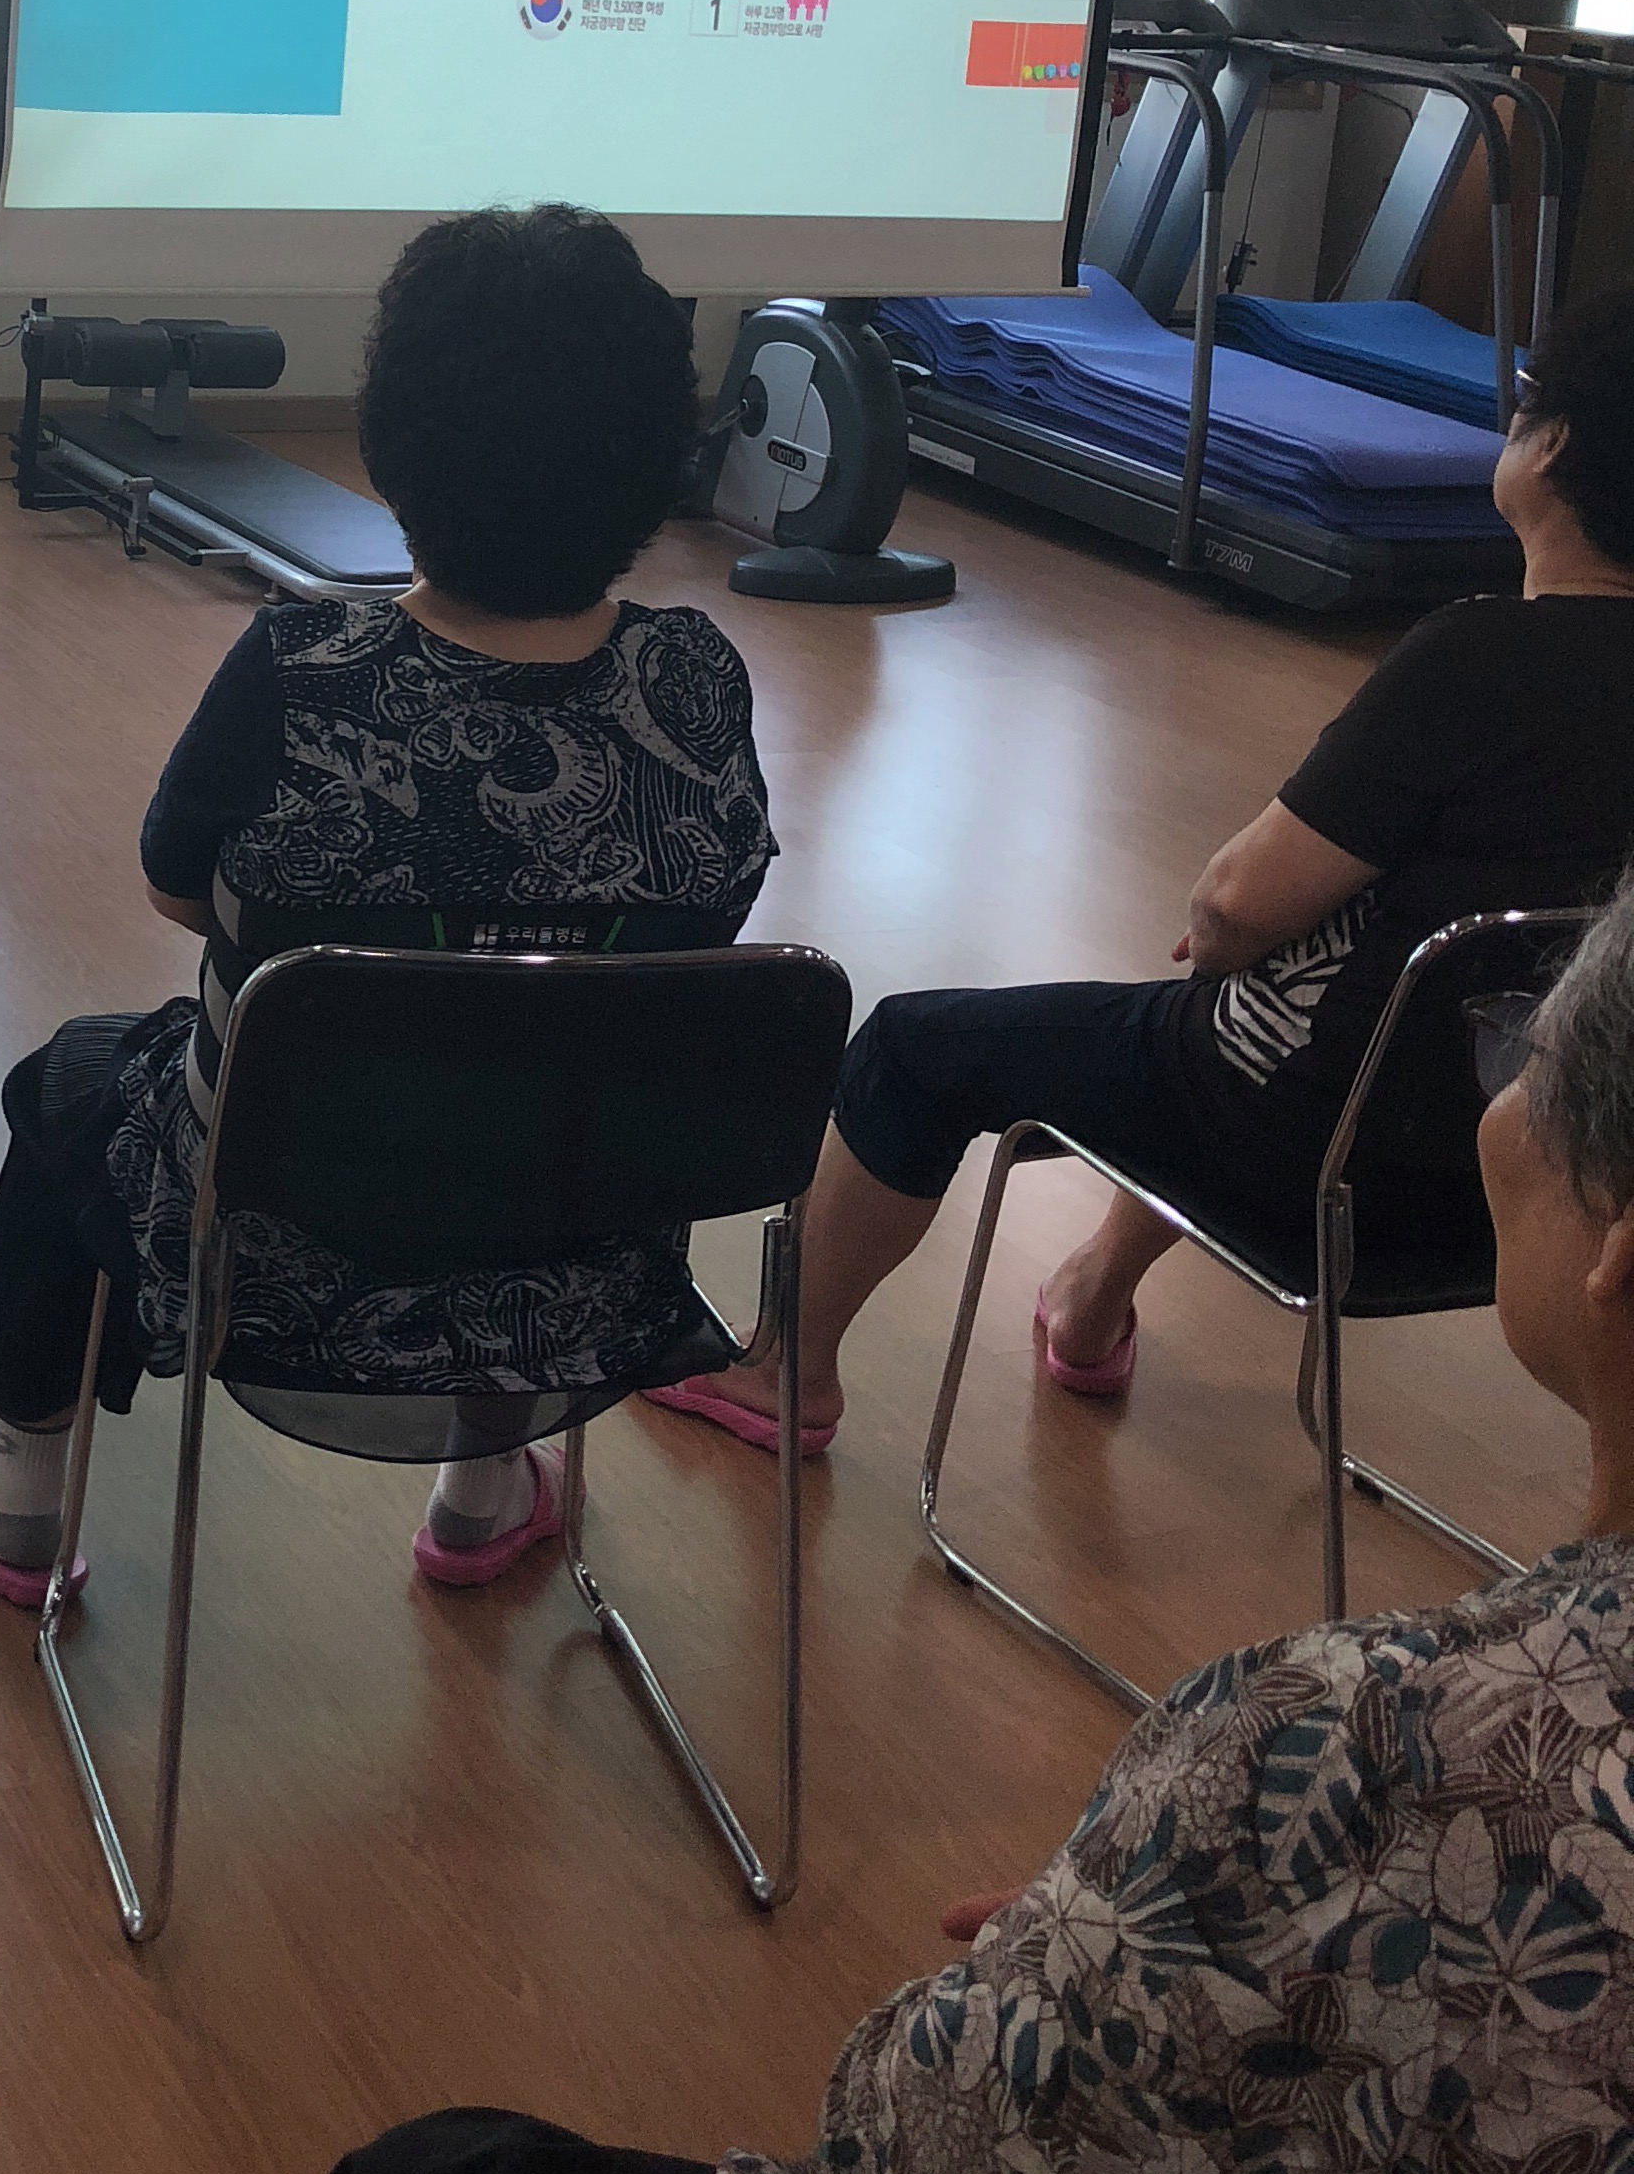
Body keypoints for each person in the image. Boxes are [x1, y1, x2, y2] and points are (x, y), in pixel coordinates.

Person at [235, 861, 1634, 2174]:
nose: (1503, 1101)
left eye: (1523, 1053)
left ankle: (782, 1362)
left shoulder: (1363, 1758)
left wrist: (1080, 1969)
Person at [0, 203, 777, 1602]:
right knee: (536, 1087)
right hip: (585, 1256)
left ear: (390, 445)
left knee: (63, 1086)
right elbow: (710, 912)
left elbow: (178, 888)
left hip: (271, 1250)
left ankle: (18, 1500)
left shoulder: (301, 670)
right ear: (661, 460)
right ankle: (484, 1493)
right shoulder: (700, 682)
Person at [651, 282, 1634, 1460]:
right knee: (1209, 1020)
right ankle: (1090, 1293)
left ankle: (784, 1373)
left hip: (1317, 1169)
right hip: (1553, 1196)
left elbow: (1232, 908)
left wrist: (1230, 932)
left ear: (1551, 445)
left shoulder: (1480, 659)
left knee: (921, 1047)